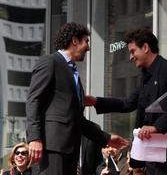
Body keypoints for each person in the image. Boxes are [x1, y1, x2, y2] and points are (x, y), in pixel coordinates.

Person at [26, 22, 128, 175]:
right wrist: (34, 138)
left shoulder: (73, 73)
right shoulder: (50, 62)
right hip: (52, 147)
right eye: (86, 41)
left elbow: (75, 118)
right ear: (74, 41)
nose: (88, 47)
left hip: (70, 149)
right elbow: (34, 100)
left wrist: (105, 138)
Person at [85, 28, 167, 175]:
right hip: (151, 157)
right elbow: (128, 103)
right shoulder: (145, 77)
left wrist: (155, 127)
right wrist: (95, 101)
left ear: (145, 48)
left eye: (133, 51)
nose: (131, 57)